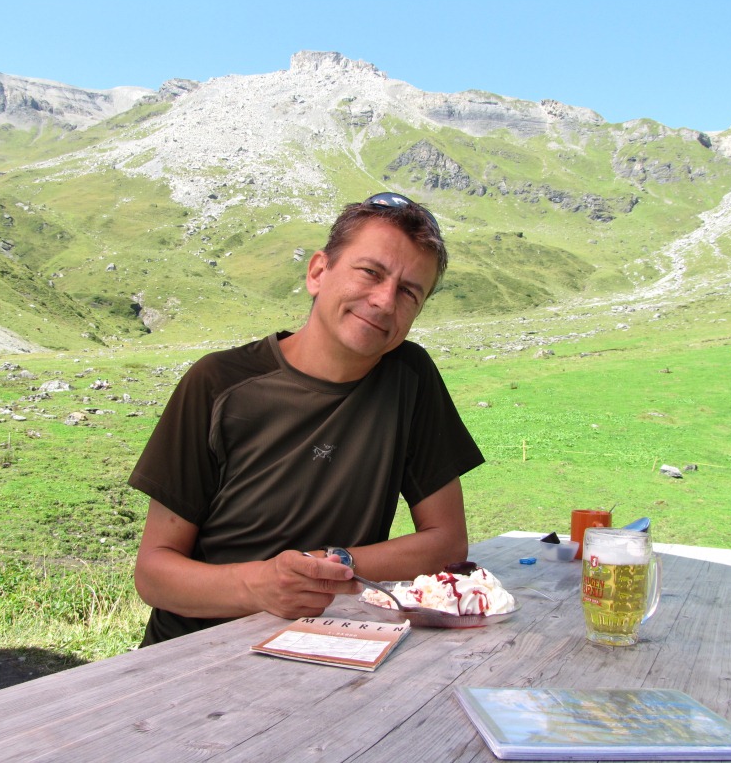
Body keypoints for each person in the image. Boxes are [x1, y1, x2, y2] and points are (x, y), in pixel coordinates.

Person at [129, 192, 484, 645]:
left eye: (409, 292)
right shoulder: (218, 383)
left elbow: (447, 543)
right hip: (195, 650)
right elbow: (153, 574)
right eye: (370, 272)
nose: (384, 301)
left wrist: (330, 563)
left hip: (329, 644)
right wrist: (259, 585)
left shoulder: (410, 378)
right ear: (318, 272)